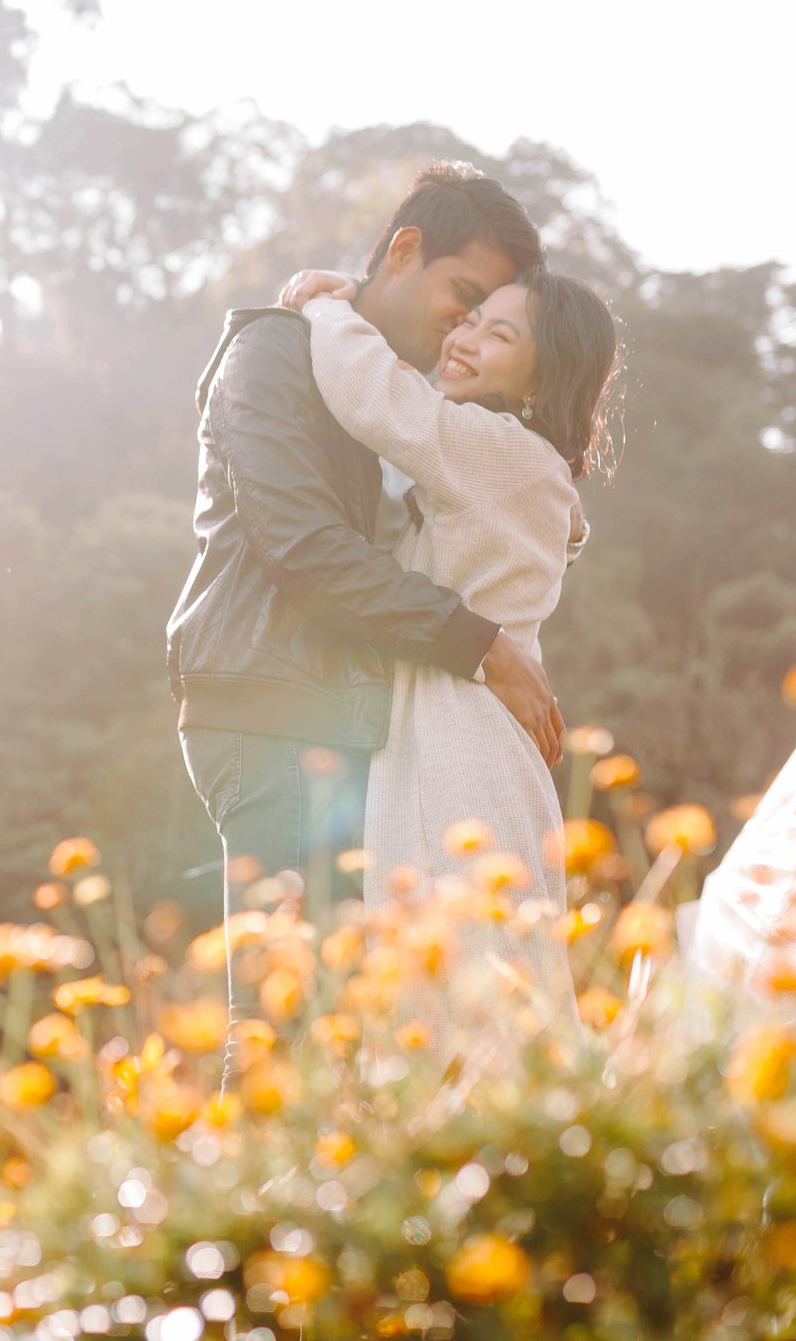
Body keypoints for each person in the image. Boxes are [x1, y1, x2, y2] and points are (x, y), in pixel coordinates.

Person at [165, 162, 559, 1063]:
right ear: (405, 250)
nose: (458, 331)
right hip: (272, 710)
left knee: (334, 1030)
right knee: (284, 1028)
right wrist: (480, 642)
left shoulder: (367, 380)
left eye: (481, 320)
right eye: (459, 298)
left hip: (331, 720)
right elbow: (304, 548)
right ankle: (245, 1202)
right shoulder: (273, 354)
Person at [277, 257, 621, 1024]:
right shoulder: (511, 462)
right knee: (473, 973)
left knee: (469, 974)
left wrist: (326, 307)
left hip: (459, 733)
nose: (464, 337)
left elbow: (376, 398)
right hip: (463, 723)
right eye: (468, 319)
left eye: (498, 333)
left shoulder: (495, 450)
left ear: (541, 381)